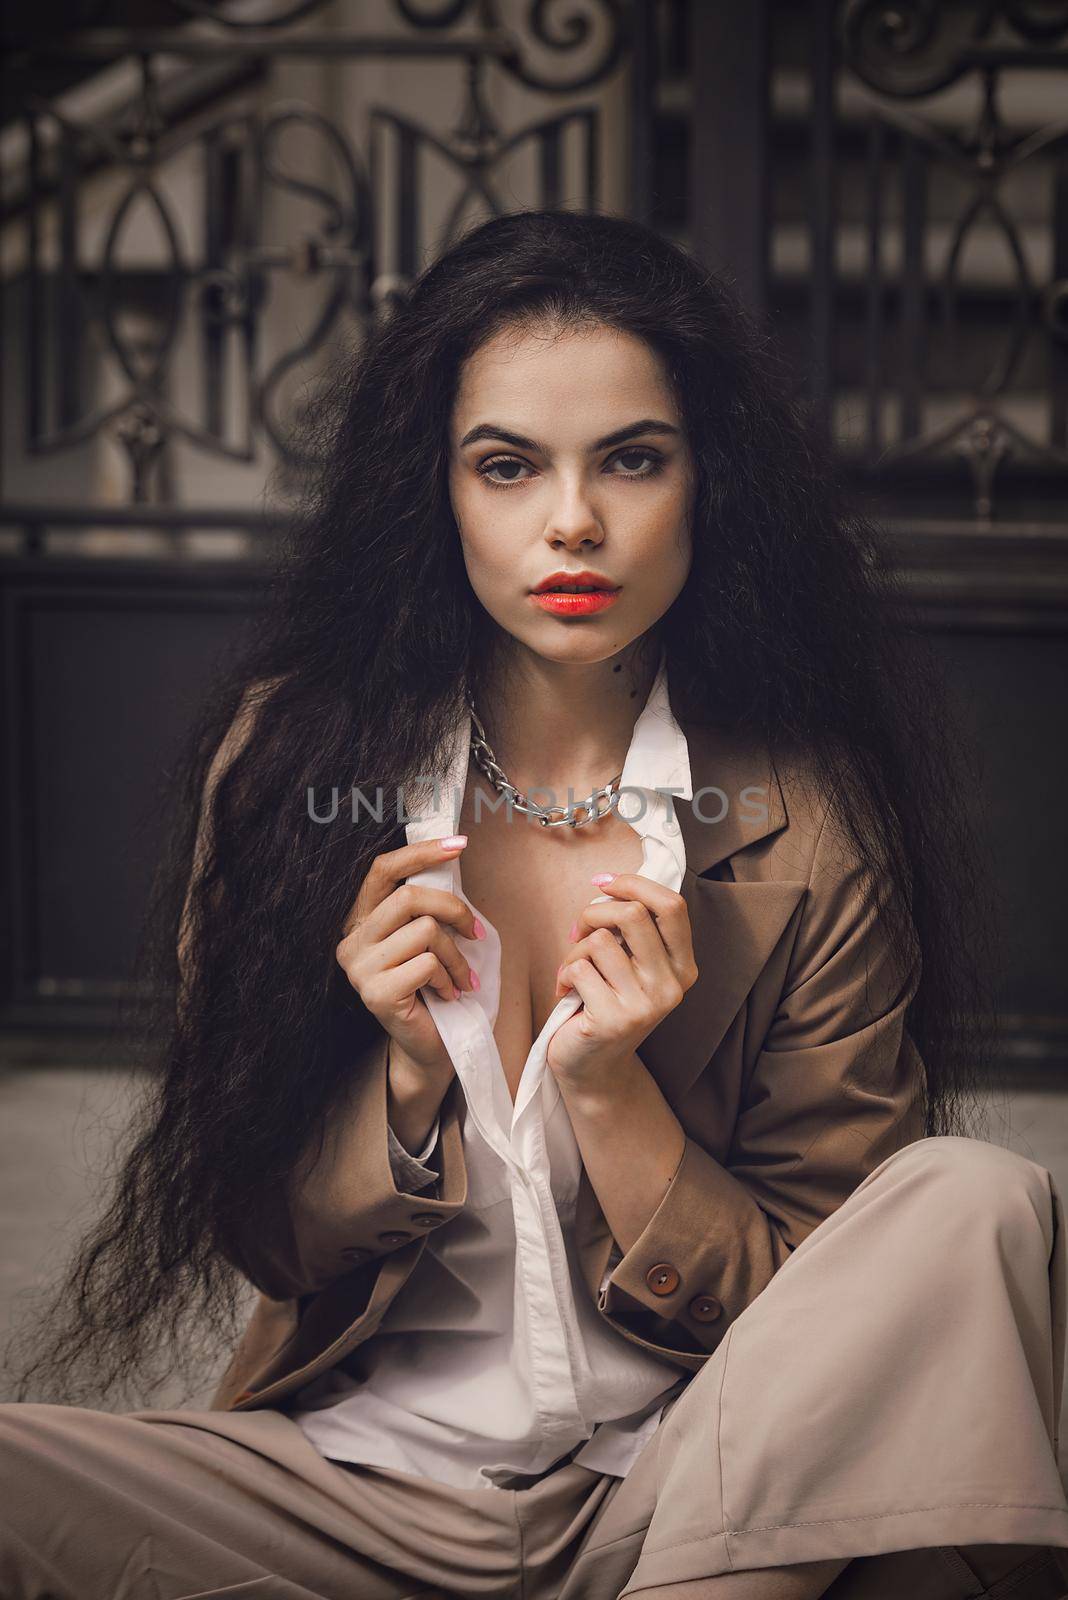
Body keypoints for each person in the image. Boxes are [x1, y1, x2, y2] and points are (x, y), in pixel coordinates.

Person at [1, 208, 1066, 1600]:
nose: (573, 520)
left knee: (973, 1202)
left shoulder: (809, 818)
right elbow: (261, 1231)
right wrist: (397, 1080)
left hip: (693, 1495)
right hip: (357, 1495)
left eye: (632, 459)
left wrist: (618, 1101)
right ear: (433, 492)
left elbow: (834, 1322)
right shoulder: (297, 765)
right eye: (508, 466)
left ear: (709, 482)